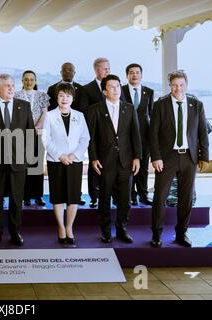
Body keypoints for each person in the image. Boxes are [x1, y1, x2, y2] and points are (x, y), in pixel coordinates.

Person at [150, 70, 209, 248]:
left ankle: (182, 233)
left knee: (186, 197)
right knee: (160, 196)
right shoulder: (160, 105)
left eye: (181, 85)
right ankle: (157, 234)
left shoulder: (196, 105)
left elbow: (202, 133)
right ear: (170, 86)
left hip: (189, 158)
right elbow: (153, 135)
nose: (178, 88)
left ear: (186, 85)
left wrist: (203, 157)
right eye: (174, 85)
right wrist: (156, 157)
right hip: (166, 159)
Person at [0, 74, 35, 247]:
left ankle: (15, 233)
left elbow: (30, 134)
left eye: (12, 85)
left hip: (18, 162)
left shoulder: (24, 106)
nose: (11, 89)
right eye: (7, 86)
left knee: (16, 201)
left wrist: (29, 157)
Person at [87, 74, 141, 244]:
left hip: (126, 161)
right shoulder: (95, 109)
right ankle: (105, 231)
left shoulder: (129, 108)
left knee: (125, 199)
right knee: (104, 198)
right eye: (111, 87)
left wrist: (137, 157)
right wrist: (93, 158)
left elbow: (135, 135)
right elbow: (91, 137)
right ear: (104, 91)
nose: (115, 89)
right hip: (104, 161)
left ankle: (122, 229)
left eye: (117, 86)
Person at [42, 83, 90, 244]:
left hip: (74, 161)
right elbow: (45, 139)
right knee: (58, 196)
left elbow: (85, 138)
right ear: (57, 97)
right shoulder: (49, 115)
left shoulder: (80, 115)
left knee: (73, 196)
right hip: (56, 161)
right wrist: (60, 155)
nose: (65, 98)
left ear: (72, 98)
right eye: (62, 95)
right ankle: (61, 227)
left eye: (68, 95)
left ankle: (69, 227)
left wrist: (74, 155)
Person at [15, 70, 49, 206]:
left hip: (37, 133)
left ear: (35, 81)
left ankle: (38, 195)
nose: (29, 82)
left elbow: (44, 113)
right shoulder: (16, 95)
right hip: (21, 134)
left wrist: (36, 127)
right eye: (26, 79)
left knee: (37, 165)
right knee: (24, 166)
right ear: (22, 81)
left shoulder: (42, 95)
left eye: (31, 79)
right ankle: (26, 195)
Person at [121, 63, 154, 206]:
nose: (134, 75)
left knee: (143, 167)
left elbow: (151, 115)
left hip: (144, 136)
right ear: (127, 75)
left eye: (137, 72)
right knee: (128, 167)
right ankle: (131, 195)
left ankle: (143, 194)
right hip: (126, 136)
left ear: (141, 75)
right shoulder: (120, 91)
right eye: (131, 72)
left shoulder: (149, 92)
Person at [80, 58, 111, 208]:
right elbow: (85, 112)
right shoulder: (87, 89)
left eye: (108, 68)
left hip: (112, 134)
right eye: (104, 68)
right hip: (94, 133)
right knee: (95, 163)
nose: (107, 71)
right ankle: (94, 196)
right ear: (96, 70)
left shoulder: (115, 86)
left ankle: (111, 195)